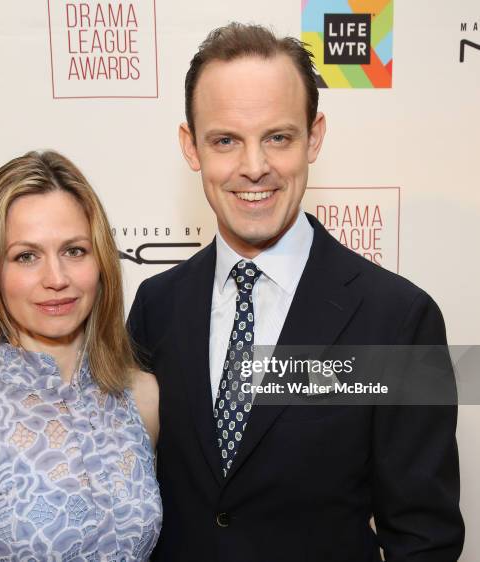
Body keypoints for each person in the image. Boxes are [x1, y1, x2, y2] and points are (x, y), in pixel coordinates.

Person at [127, 23, 464, 561]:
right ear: (192, 147)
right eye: (225, 140)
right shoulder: (156, 306)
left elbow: (424, 539)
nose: (254, 167)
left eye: (278, 137)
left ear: (316, 137)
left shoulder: (397, 322)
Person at [0, 150, 162, 560]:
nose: (56, 279)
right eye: (26, 256)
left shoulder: (142, 399)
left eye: (74, 251)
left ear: (101, 262)